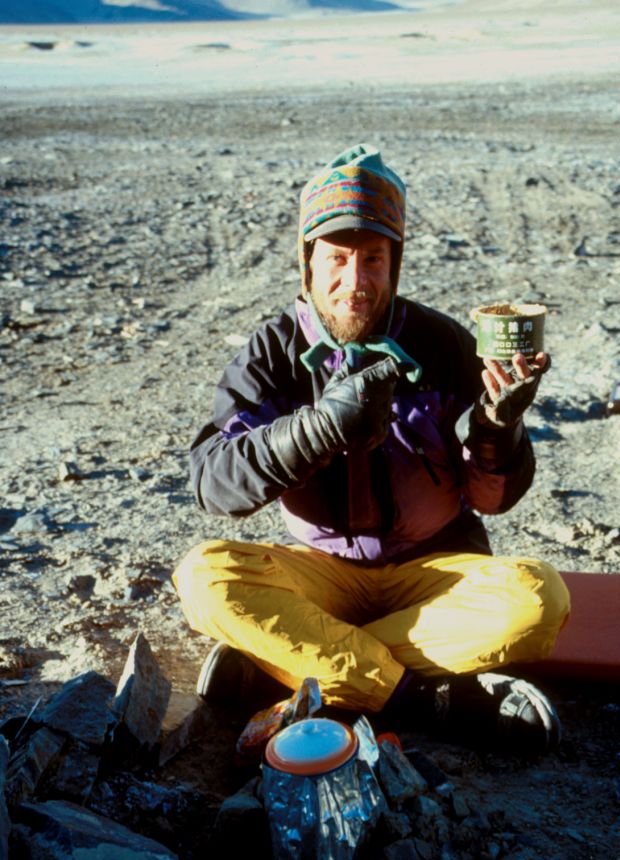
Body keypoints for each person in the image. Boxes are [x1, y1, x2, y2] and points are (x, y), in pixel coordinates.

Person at [173, 143, 571, 755]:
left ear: (395, 265)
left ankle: (299, 661)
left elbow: (492, 501)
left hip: (434, 575)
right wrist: (320, 427)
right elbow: (213, 483)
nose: (355, 282)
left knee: (537, 599)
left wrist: (498, 427)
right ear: (307, 263)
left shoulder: (443, 343)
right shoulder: (272, 353)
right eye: (337, 258)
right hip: (323, 572)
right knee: (204, 577)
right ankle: (423, 699)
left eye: (374, 260)